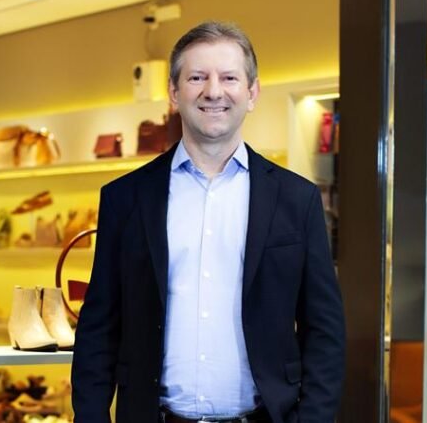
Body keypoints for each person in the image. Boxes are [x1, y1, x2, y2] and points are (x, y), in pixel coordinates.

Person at [71, 21, 345, 423]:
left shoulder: (296, 199)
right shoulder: (125, 198)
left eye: (229, 78)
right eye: (197, 77)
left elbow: (324, 329)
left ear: (252, 93)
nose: (214, 91)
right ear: (174, 92)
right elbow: (99, 328)